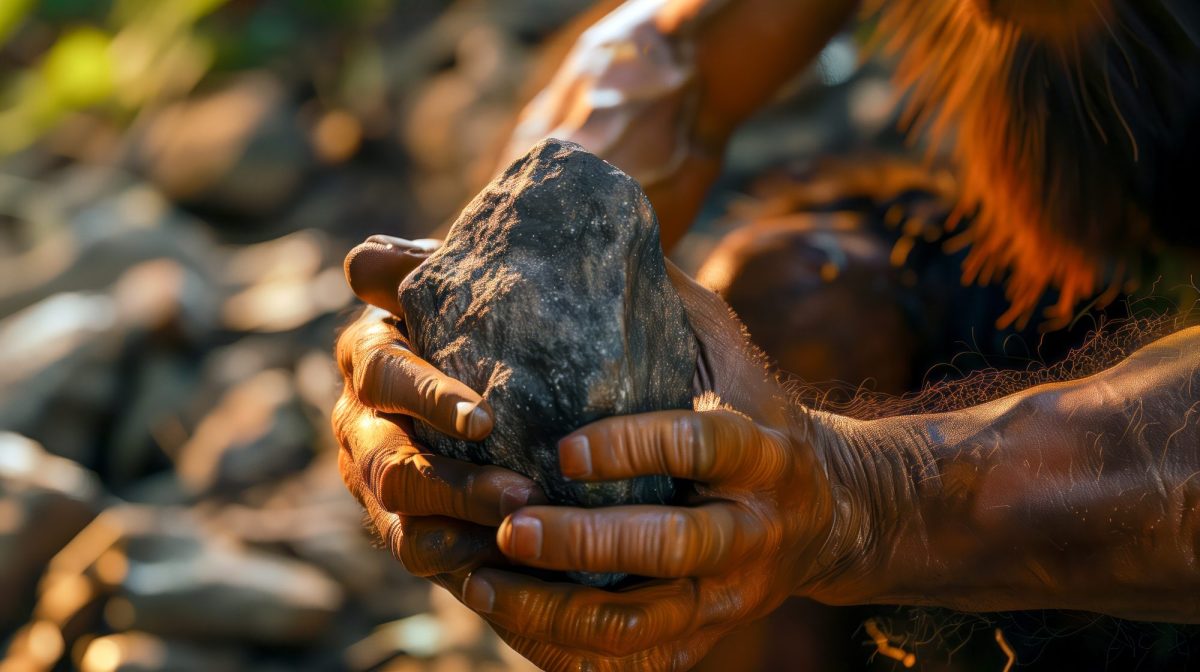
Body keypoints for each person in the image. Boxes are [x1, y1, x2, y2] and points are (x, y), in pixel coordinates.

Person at [334, 1, 1200, 669]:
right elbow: (665, 64)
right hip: (1100, 291)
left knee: (761, 468)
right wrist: (470, 305)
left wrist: (868, 494)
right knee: (794, 310)